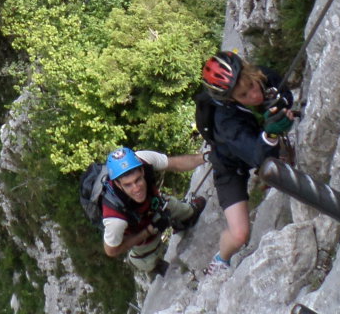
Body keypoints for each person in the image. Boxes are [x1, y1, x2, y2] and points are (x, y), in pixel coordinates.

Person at [199, 50, 299, 277]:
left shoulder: (262, 76)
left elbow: (285, 94)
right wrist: (270, 133)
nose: (255, 95)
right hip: (230, 167)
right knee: (240, 235)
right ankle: (220, 259)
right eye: (244, 95)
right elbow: (257, 156)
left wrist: (279, 104)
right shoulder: (226, 122)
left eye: (253, 85)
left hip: (253, 144)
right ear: (231, 100)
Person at [100, 146, 207, 274]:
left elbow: (175, 163)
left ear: (142, 170)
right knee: (148, 260)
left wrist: (205, 157)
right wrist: (147, 232)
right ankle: (147, 263)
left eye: (138, 179)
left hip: (156, 207)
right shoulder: (115, 219)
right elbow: (111, 250)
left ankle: (187, 215)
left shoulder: (144, 159)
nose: (136, 188)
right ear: (117, 184)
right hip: (139, 232)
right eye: (128, 185)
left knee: (180, 209)